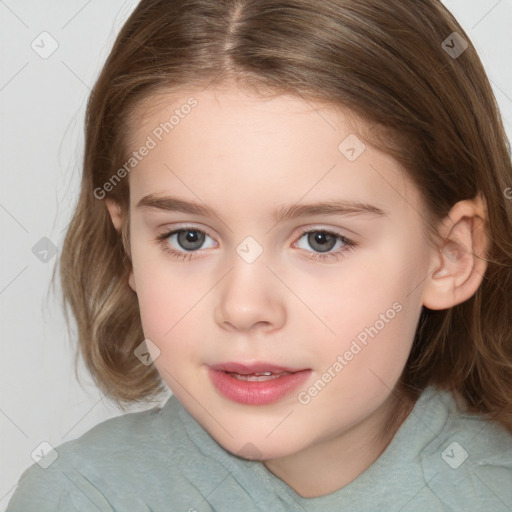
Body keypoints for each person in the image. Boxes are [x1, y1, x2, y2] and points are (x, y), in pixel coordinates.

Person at [7, 0, 512, 510]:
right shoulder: (76, 498)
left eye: (321, 240)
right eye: (188, 237)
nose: (244, 307)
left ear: (451, 255)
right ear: (128, 246)